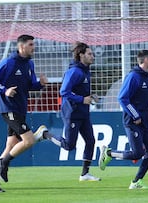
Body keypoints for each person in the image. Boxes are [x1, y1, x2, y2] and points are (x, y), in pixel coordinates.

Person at [0, 34, 48, 193]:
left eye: (34, 44)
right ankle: (2, 163)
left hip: (20, 109)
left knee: (11, 146)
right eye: (31, 44)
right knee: (29, 140)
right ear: (22, 46)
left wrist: (39, 84)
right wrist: (5, 91)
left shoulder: (29, 64)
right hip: (9, 108)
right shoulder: (8, 62)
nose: (34, 47)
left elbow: (29, 86)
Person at [98, 50, 148, 189]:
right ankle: (109, 153)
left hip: (145, 122)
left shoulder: (147, 78)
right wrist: (135, 115)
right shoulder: (133, 76)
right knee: (138, 153)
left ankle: (136, 181)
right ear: (146, 60)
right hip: (133, 122)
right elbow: (122, 98)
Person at [35, 42, 101, 181]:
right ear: (81, 55)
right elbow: (64, 91)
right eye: (89, 54)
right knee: (69, 145)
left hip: (83, 113)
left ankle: (85, 173)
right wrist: (82, 99)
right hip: (72, 113)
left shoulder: (85, 71)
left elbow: (79, 91)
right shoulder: (74, 72)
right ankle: (45, 134)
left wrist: (90, 97)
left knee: (90, 141)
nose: (92, 56)